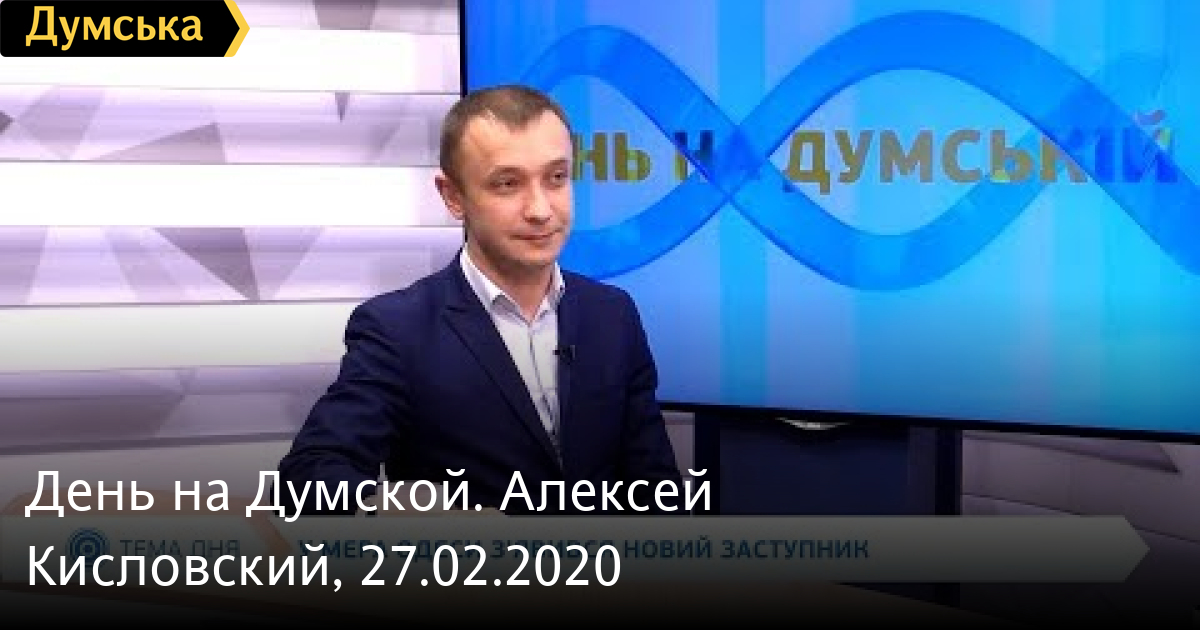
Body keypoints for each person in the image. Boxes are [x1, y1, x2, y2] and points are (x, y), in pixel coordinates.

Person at [277, 85, 682, 516]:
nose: (540, 209)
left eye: (556, 178)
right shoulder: (398, 330)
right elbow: (306, 480)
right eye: (508, 184)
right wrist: (403, 507)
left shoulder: (612, 314)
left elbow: (658, 493)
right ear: (453, 197)